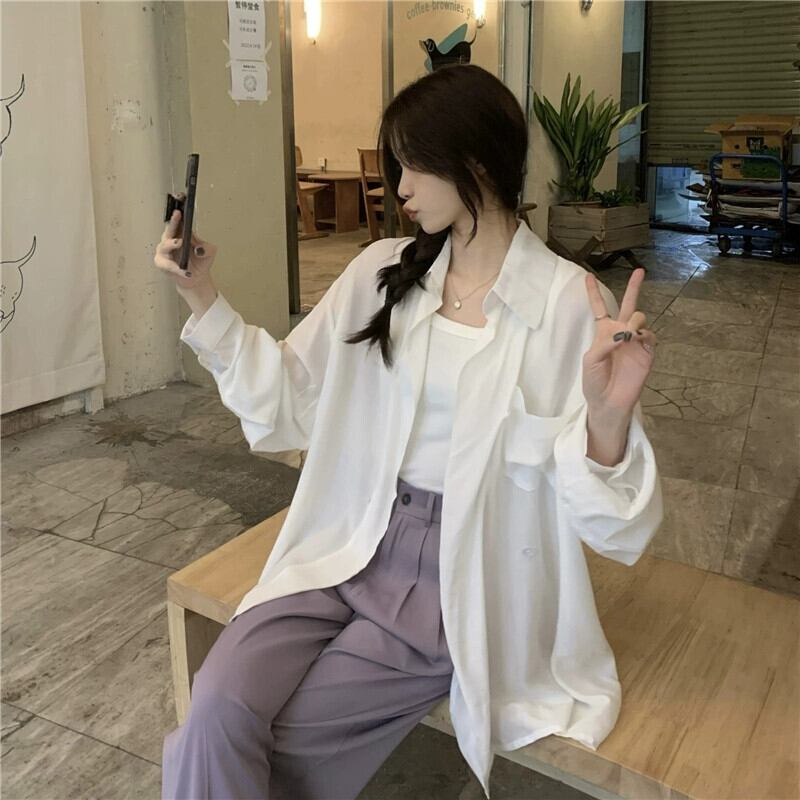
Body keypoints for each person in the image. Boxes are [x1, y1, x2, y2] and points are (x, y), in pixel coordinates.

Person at [154, 64, 662, 800]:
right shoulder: (381, 271)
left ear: (476, 162)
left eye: (414, 165)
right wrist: (202, 295)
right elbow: (290, 394)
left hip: (453, 576)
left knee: (285, 752)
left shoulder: (568, 303)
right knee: (215, 713)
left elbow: (617, 530)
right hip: (346, 534)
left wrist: (607, 421)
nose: (401, 188)